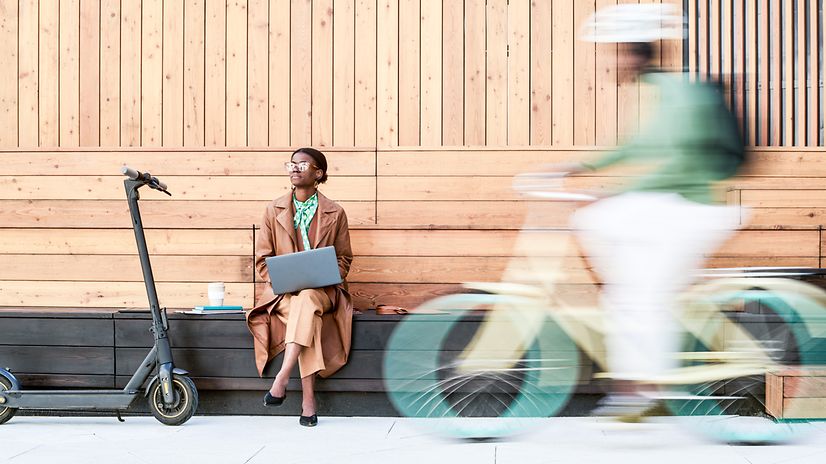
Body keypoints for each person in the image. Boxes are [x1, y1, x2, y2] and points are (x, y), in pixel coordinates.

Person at [560, 4, 746, 416]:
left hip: (691, 208)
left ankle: (643, 388)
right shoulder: (657, 91)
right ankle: (636, 385)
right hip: (672, 208)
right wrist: (577, 167)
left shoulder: (679, 93)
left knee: (635, 290)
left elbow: (679, 162)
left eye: (618, 51)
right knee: (626, 290)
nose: (612, 61)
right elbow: (636, 146)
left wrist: (616, 190)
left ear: (636, 52)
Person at [246, 147, 354, 427]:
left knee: (308, 299)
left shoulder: (336, 212)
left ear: (318, 173)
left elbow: (344, 258)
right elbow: (262, 260)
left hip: (324, 292)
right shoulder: (273, 209)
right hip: (283, 294)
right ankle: (308, 400)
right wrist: (281, 278)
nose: (294, 169)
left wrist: (330, 275)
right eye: (291, 164)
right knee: (305, 312)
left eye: (302, 165)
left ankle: (282, 377)